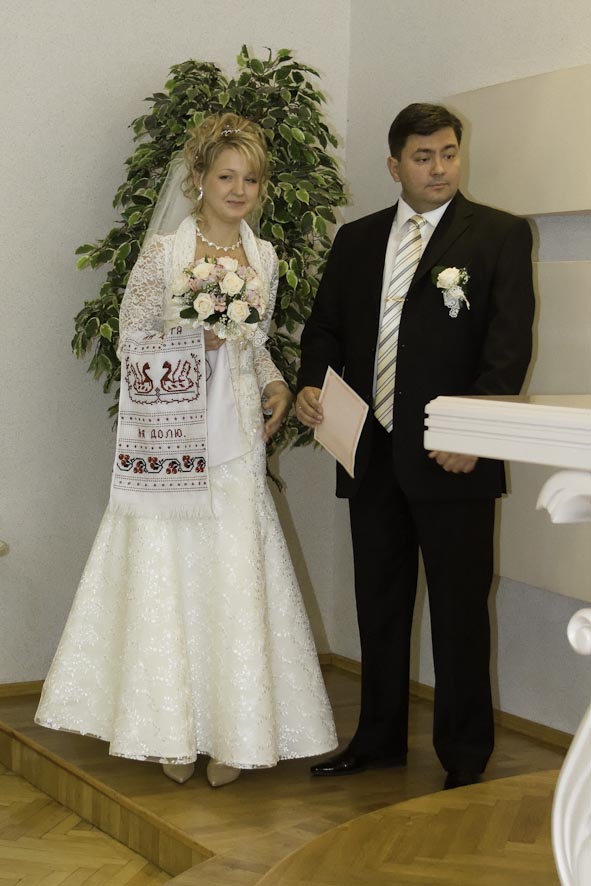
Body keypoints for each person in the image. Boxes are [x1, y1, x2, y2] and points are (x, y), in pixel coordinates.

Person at [36, 112, 337, 787]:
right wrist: (190, 342)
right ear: (199, 179)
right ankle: (170, 730)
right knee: (170, 573)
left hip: (237, 443)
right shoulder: (164, 253)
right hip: (173, 435)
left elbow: (255, 345)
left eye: (250, 179)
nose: (239, 190)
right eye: (226, 176)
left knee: (233, 576)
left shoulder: (264, 258)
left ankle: (234, 732)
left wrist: (277, 384)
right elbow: (129, 341)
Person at [296, 103, 534, 790]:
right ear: (394, 165)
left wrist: (471, 435)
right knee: (379, 604)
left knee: (459, 612)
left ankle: (464, 755)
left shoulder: (498, 234)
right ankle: (378, 741)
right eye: (423, 157)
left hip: (452, 458)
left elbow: (507, 348)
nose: (439, 168)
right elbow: (325, 328)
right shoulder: (357, 239)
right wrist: (312, 380)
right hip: (369, 453)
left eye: (448, 153)